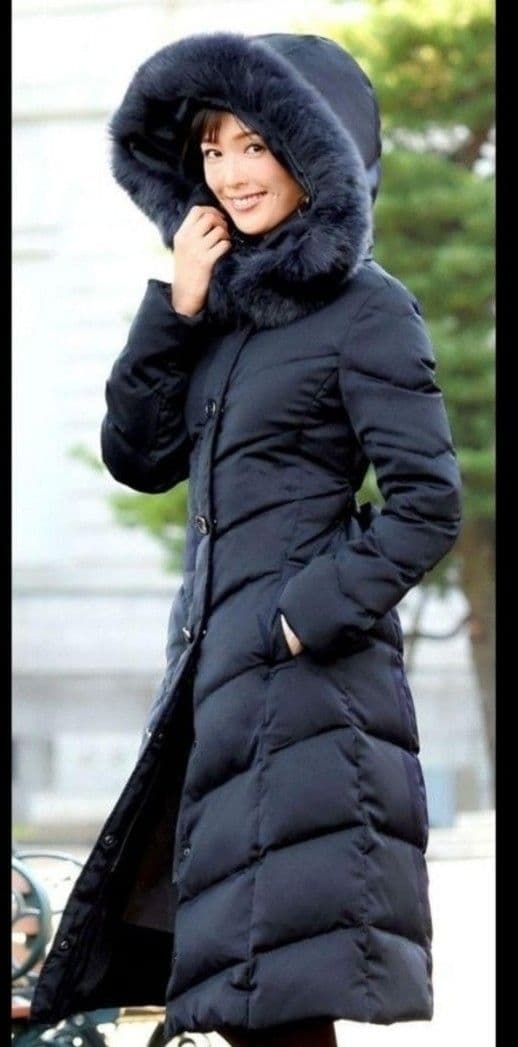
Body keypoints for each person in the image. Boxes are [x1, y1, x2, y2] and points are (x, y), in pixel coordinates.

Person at [29, 30, 463, 1047]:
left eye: (255, 144)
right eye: (212, 148)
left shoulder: (367, 309)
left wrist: (297, 617)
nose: (229, 171)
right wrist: (176, 308)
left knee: (274, 1004)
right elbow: (138, 458)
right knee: (240, 1001)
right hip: (215, 696)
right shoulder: (220, 313)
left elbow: (426, 504)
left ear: (314, 152)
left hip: (307, 701)